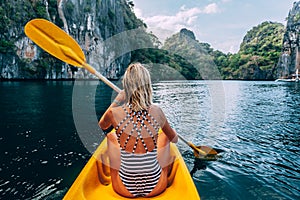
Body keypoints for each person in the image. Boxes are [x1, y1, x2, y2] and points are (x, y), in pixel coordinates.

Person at [99, 62, 178, 198]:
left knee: (111, 137)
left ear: (126, 86)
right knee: (165, 137)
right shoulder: (157, 111)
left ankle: (118, 176)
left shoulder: (114, 113)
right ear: (147, 86)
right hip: (156, 187)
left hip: (124, 188)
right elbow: (174, 139)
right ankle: (163, 172)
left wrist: (118, 100)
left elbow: (103, 125)